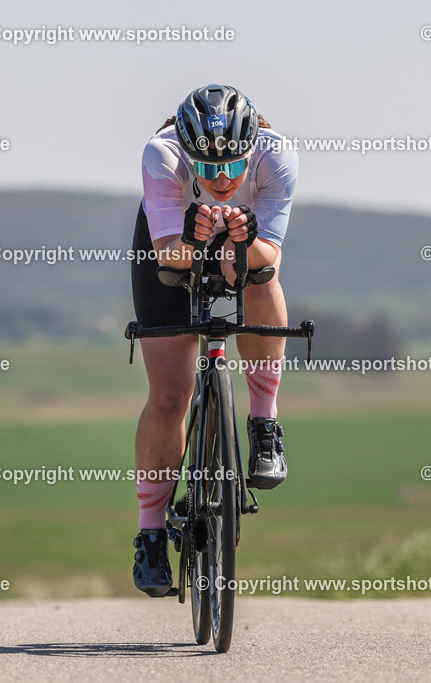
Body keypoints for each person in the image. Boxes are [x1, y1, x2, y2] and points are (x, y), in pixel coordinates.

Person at [130, 84, 299, 596]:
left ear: (253, 150)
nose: (221, 178)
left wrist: (238, 248)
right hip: (174, 242)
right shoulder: (162, 155)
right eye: (206, 167)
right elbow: (166, 258)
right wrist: (198, 241)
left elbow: (268, 256)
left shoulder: (278, 156)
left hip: (247, 241)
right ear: (187, 152)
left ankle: (264, 423)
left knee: (261, 276)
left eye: (232, 166)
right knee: (169, 395)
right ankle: (151, 532)